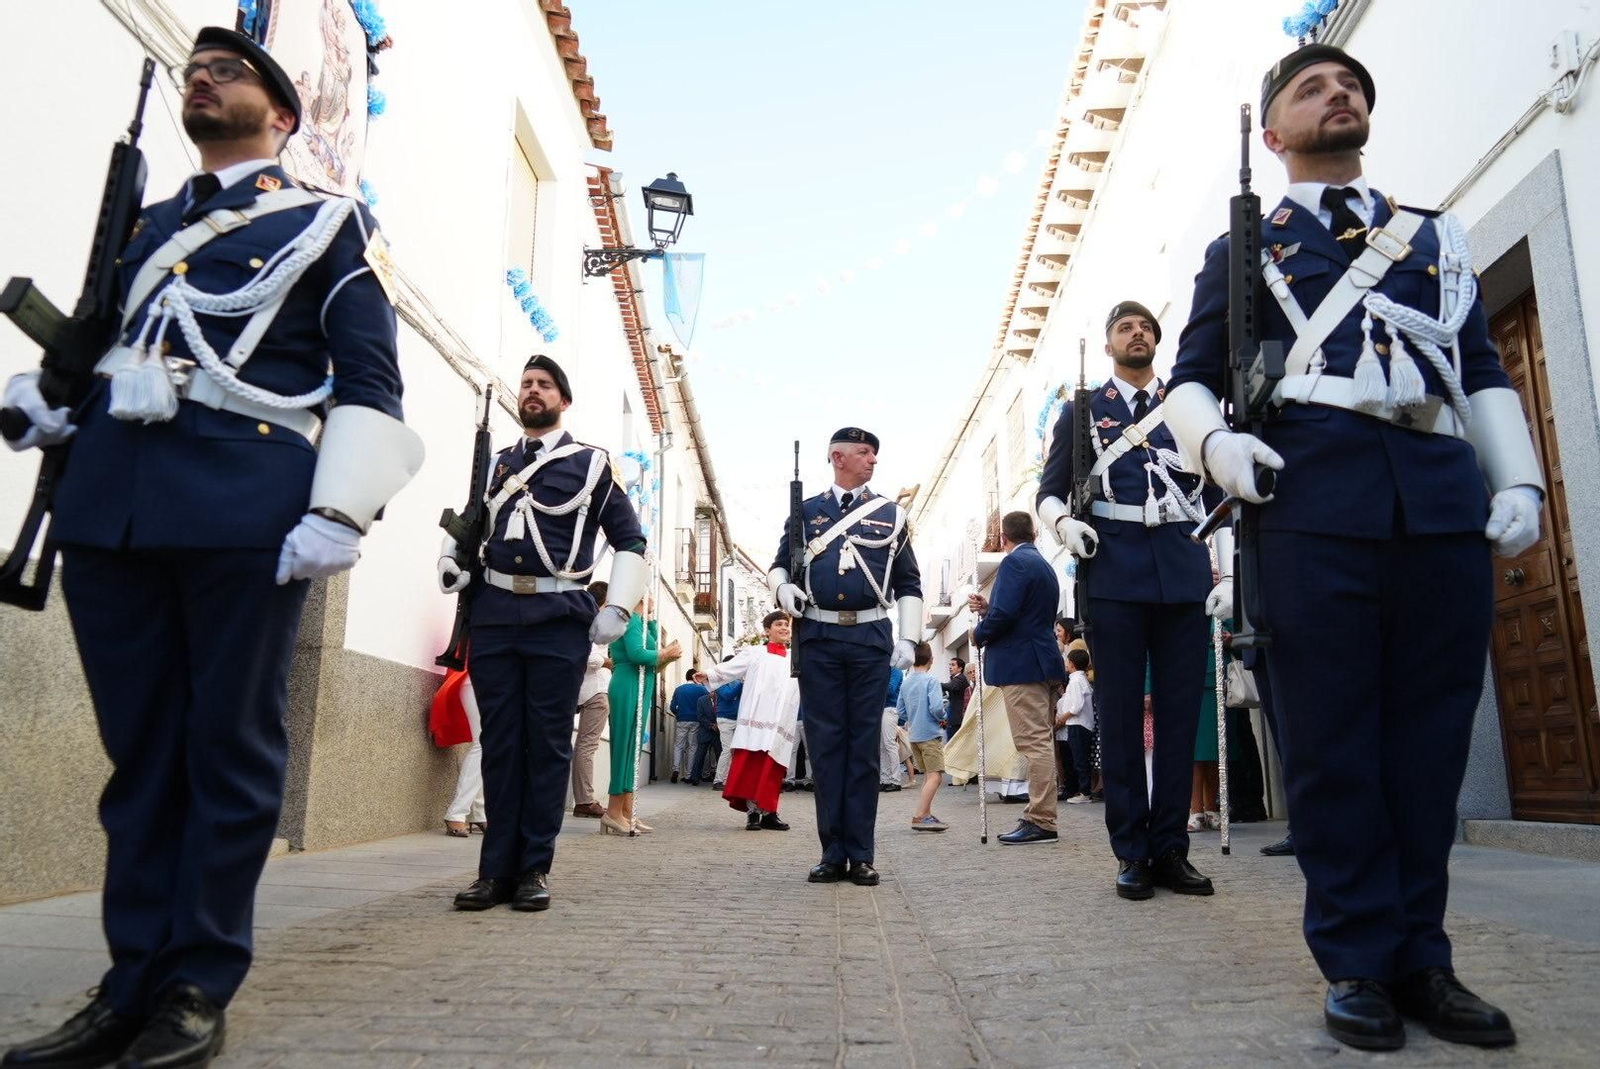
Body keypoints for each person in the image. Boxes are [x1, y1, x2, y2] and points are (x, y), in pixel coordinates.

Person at [0, 27, 424, 1069]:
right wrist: (52, 406)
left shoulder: (326, 224)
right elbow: (105, 346)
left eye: (229, 72)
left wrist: (341, 511)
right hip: (113, 508)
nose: (204, 79)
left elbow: (371, 377)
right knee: (140, 759)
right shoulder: (143, 226)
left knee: (227, 751)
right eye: (196, 72)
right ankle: (128, 980)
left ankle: (196, 983)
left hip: (243, 503)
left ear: (281, 115)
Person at [1163, 44, 1539, 1050]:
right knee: (1331, 746)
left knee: (1428, 745)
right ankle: (1358, 961)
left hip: (1434, 497)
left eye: (1352, 87)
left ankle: (1423, 957)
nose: (1338, 95)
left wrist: (1521, 479)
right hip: (1309, 498)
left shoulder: (1434, 236)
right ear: (1275, 132)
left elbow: (1477, 365)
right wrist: (1217, 441)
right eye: (1311, 89)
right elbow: (1188, 379)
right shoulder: (1242, 246)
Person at [440, 354, 648, 914]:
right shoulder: (498, 464)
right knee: (501, 744)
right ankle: (493, 872)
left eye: (545, 385)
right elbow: (467, 525)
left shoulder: (591, 464)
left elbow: (631, 541)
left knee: (548, 745)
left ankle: (534, 867)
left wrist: (621, 607)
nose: (532, 391)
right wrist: (453, 560)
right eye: (527, 383)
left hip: (559, 619)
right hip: (494, 613)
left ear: (564, 400)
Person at [1037, 299, 1220, 901]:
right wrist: (1064, 525)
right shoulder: (1082, 409)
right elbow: (1049, 491)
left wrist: (1225, 573)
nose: (1136, 334)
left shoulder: (1186, 404)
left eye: (1145, 327)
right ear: (1109, 342)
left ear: (1155, 341)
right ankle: (1131, 851)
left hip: (1182, 567)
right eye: (1125, 328)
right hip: (1114, 568)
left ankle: (1171, 848)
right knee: (1117, 715)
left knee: (1176, 716)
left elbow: (1218, 487)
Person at [771, 426, 922, 887]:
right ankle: (831, 852)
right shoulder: (807, 510)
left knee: (863, 751)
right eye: (863, 452)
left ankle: (861, 853)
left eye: (874, 453)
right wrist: (783, 587)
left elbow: (909, 583)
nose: (872, 459)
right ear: (837, 457)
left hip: (869, 638)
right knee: (826, 746)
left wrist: (910, 639)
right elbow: (780, 560)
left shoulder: (891, 515)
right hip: (818, 637)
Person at [969, 511, 1067, 845]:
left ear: (1002, 539)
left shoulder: (1013, 564)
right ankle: (1042, 816)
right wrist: (989, 609)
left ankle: (1041, 819)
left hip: (1023, 664)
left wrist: (978, 632)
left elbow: (1008, 615)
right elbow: (1021, 613)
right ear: (1034, 532)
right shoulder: (1042, 565)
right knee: (1041, 740)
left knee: (1034, 742)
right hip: (1040, 660)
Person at [703, 612, 801, 830]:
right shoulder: (755, 652)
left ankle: (770, 813)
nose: (784, 628)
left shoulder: (796, 657)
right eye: (778, 624)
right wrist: (709, 675)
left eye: (787, 625)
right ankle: (753, 814)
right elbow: (731, 668)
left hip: (780, 721)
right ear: (767, 630)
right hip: (757, 719)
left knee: (773, 769)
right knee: (753, 767)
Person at [604, 597, 682, 835]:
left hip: (641, 684)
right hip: (627, 683)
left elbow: (651, 664)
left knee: (633, 749)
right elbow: (637, 655)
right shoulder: (631, 619)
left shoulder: (643, 622)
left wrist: (665, 658)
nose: (652, 599)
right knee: (624, 748)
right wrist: (664, 652)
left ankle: (627, 812)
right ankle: (613, 812)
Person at [569, 580, 613, 820]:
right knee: (587, 746)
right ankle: (584, 801)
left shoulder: (579, 617)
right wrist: (606, 662)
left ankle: (582, 800)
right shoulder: (595, 622)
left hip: (577, 686)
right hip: (594, 688)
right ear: (604, 603)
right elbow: (588, 658)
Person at [898, 642, 950, 831]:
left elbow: (900, 711)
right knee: (935, 777)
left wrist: (914, 715)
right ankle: (920, 815)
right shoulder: (931, 681)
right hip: (929, 734)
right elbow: (937, 707)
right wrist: (943, 716)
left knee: (929, 777)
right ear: (931, 660)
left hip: (915, 736)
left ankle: (926, 814)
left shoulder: (906, 683)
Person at [445, 675, 488, 836]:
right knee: (486, 742)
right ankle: (457, 812)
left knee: (490, 743)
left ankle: (478, 811)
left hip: (501, 679)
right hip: (480, 675)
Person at [1057, 648, 1096, 804]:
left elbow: (1076, 706)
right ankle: (1083, 789)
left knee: (1079, 759)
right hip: (1081, 724)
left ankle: (1085, 792)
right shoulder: (1081, 679)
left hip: (1078, 724)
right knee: (1079, 758)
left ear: (1071, 663)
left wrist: (1062, 718)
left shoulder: (1075, 681)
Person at [668, 669, 709, 783]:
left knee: (678, 745)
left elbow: (672, 706)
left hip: (682, 719)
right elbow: (707, 703)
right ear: (696, 677)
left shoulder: (679, 689)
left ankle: (676, 769)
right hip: (696, 720)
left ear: (686, 677)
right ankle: (688, 775)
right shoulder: (702, 689)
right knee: (692, 747)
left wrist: (679, 714)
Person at [711, 677, 742, 790]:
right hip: (725, 720)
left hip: (738, 719)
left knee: (735, 751)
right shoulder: (720, 683)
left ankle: (728, 780)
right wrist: (742, 684)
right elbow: (728, 696)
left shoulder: (738, 682)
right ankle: (718, 780)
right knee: (727, 749)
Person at [689, 685, 723, 786]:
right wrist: (710, 725)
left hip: (718, 733)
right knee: (700, 755)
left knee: (720, 755)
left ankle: (720, 779)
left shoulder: (722, 700)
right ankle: (695, 777)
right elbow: (700, 716)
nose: (714, 694)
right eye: (712, 691)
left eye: (715, 692)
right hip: (705, 731)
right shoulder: (701, 700)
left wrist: (718, 724)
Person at [879, 665, 906, 791]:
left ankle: (895, 780)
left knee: (889, 744)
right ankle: (885, 779)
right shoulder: (885, 670)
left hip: (890, 709)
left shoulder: (895, 671)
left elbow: (890, 689)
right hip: (881, 710)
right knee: (882, 746)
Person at [942, 656, 969, 739]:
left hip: (957, 719)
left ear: (960, 668)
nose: (950, 667)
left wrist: (935, 684)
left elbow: (951, 686)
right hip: (954, 718)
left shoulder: (960, 679)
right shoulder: (954, 679)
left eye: (953, 665)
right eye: (950, 665)